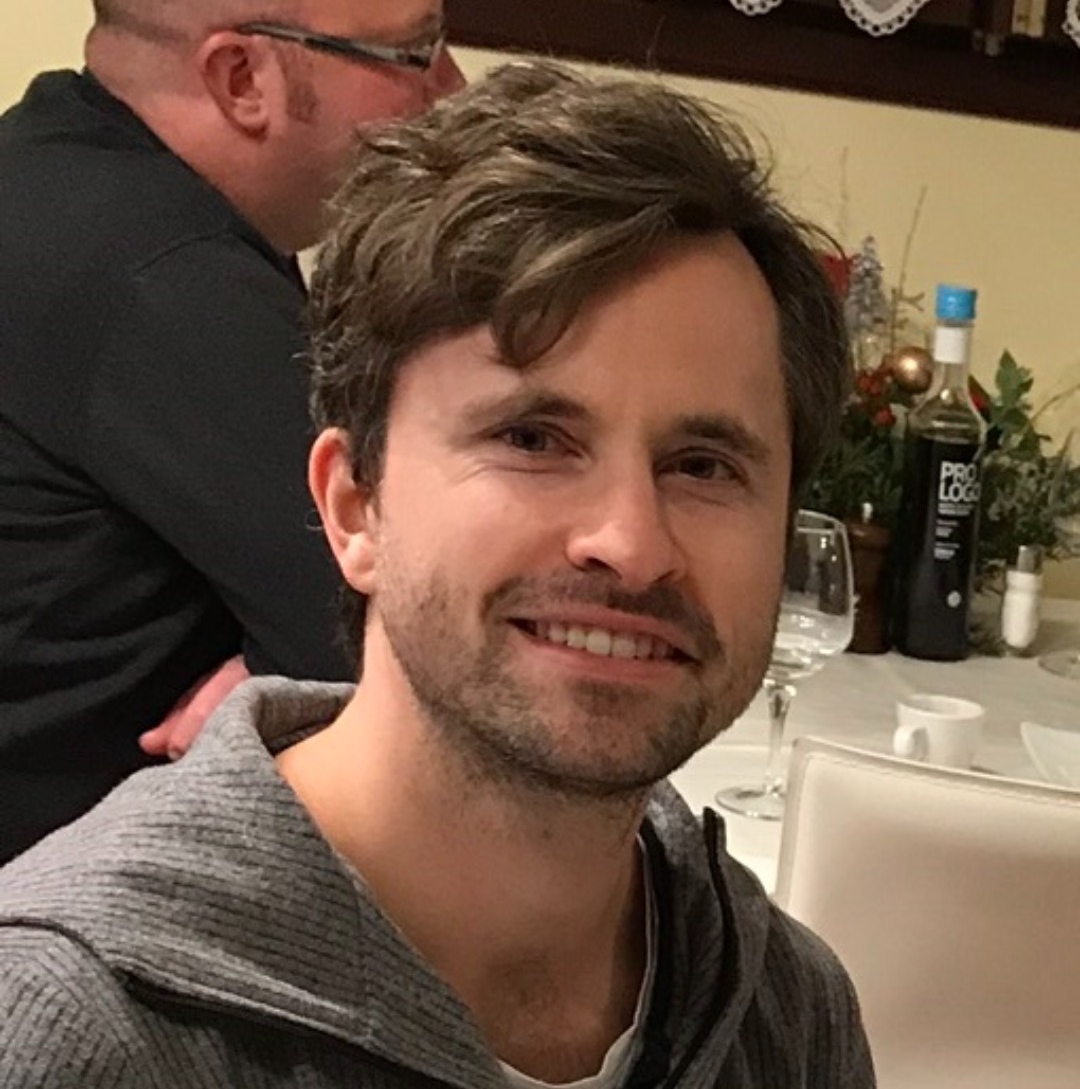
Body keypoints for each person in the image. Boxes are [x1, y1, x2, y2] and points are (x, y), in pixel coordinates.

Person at [0, 61, 873, 1087]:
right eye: (534, 438)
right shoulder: (77, 1028)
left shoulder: (786, 1013)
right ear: (352, 507)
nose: (632, 543)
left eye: (704, 465)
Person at [0, 0, 464, 863]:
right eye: (412, 53)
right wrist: (284, 694)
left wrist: (265, 677)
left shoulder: (46, 165)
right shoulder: (159, 275)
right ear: (242, 78)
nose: (450, 90)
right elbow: (428, 643)